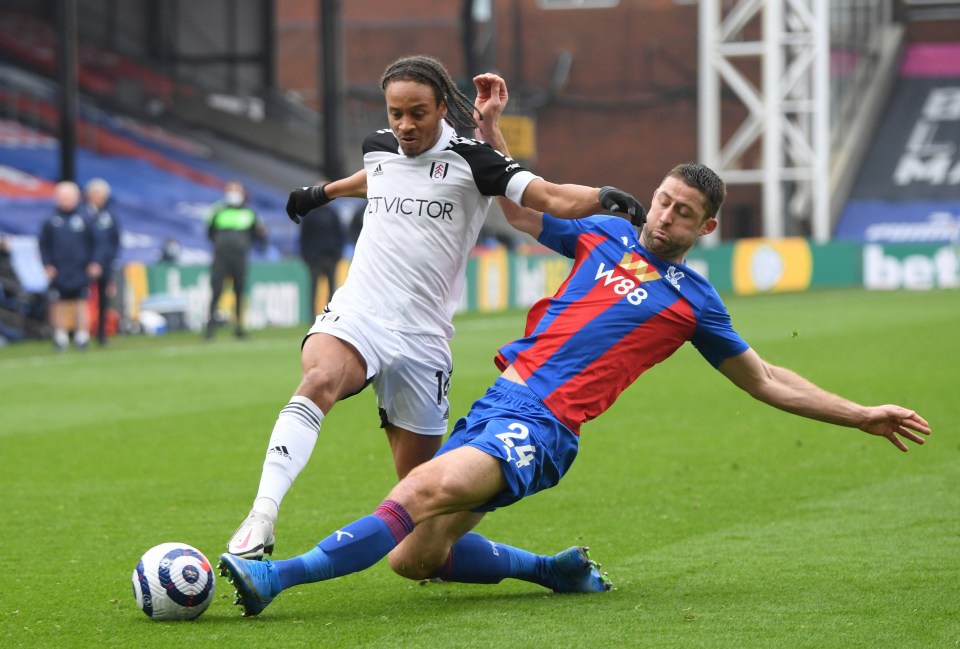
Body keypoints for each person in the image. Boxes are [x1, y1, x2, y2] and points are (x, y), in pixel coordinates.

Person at [218, 159, 931, 617]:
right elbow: (522, 211)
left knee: (420, 490)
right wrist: (493, 138)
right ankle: (553, 571)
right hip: (501, 397)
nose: (665, 216)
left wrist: (861, 413)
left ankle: (275, 578)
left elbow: (768, 378)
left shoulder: (694, 301)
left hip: (547, 425)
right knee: (416, 558)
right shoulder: (602, 234)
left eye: (684, 213)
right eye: (662, 202)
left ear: (706, 227)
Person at [225, 55, 643, 562]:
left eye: (417, 113)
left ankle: (546, 570)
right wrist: (321, 193)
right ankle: (261, 517)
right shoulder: (380, 146)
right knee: (318, 379)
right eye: (396, 113)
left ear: (442, 107)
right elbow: (375, 176)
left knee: (424, 526)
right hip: (359, 312)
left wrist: (603, 197)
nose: (404, 125)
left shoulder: (475, 161)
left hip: (423, 342)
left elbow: (549, 197)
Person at [38, 180, 100, 352]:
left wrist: (94, 262)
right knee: (58, 303)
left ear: (77, 197)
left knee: (81, 302)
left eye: (68, 196)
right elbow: (44, 245)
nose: (65, 200)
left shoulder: (85, 218)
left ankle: (82, 337)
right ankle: (60, 338)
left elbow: (96, 243)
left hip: (80, 269)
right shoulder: (51, 220)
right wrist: (47, 264)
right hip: (59, 269)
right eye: (62, 196)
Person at [205, 180, 265, 340]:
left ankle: (239, 327)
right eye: (230, 190)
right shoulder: (217, 210)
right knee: (216, 291)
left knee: (239, 292)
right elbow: (210, 233)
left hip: (240, 258)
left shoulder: (249, 212)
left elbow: (256, 234)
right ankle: (210, 329)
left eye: (236, 190)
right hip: (221, 258)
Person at [84, 178, 121, 346]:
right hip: (84, 266)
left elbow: (115, 241)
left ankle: (101, 334)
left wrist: (107, 262)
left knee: (104, 301)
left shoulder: (110, 215)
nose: (100, 198)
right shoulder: (82, 214)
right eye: (97, 194)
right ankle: (81, 334)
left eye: (103, 195)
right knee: (82, 300)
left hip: (105, 265)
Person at [298, 197, 345, 311]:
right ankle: (312, 320)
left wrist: (337, 254)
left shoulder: (334, 214)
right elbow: (304, 237)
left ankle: (330, 316)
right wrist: (307, 257)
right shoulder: (309, 215)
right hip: (314, 259)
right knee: (313, 290)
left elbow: (340, 235)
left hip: (330, 257)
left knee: (332, 290)